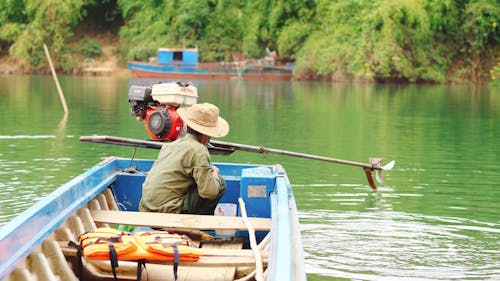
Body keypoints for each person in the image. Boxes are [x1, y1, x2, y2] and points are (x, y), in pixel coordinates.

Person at [139, 103, 229, 215]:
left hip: (145, 209)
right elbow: (209, 192)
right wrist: (214, 173)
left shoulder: (169, 145)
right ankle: (200, 224)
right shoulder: (199, 150)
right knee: (219, 184)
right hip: (168, 212)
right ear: (206, 134)